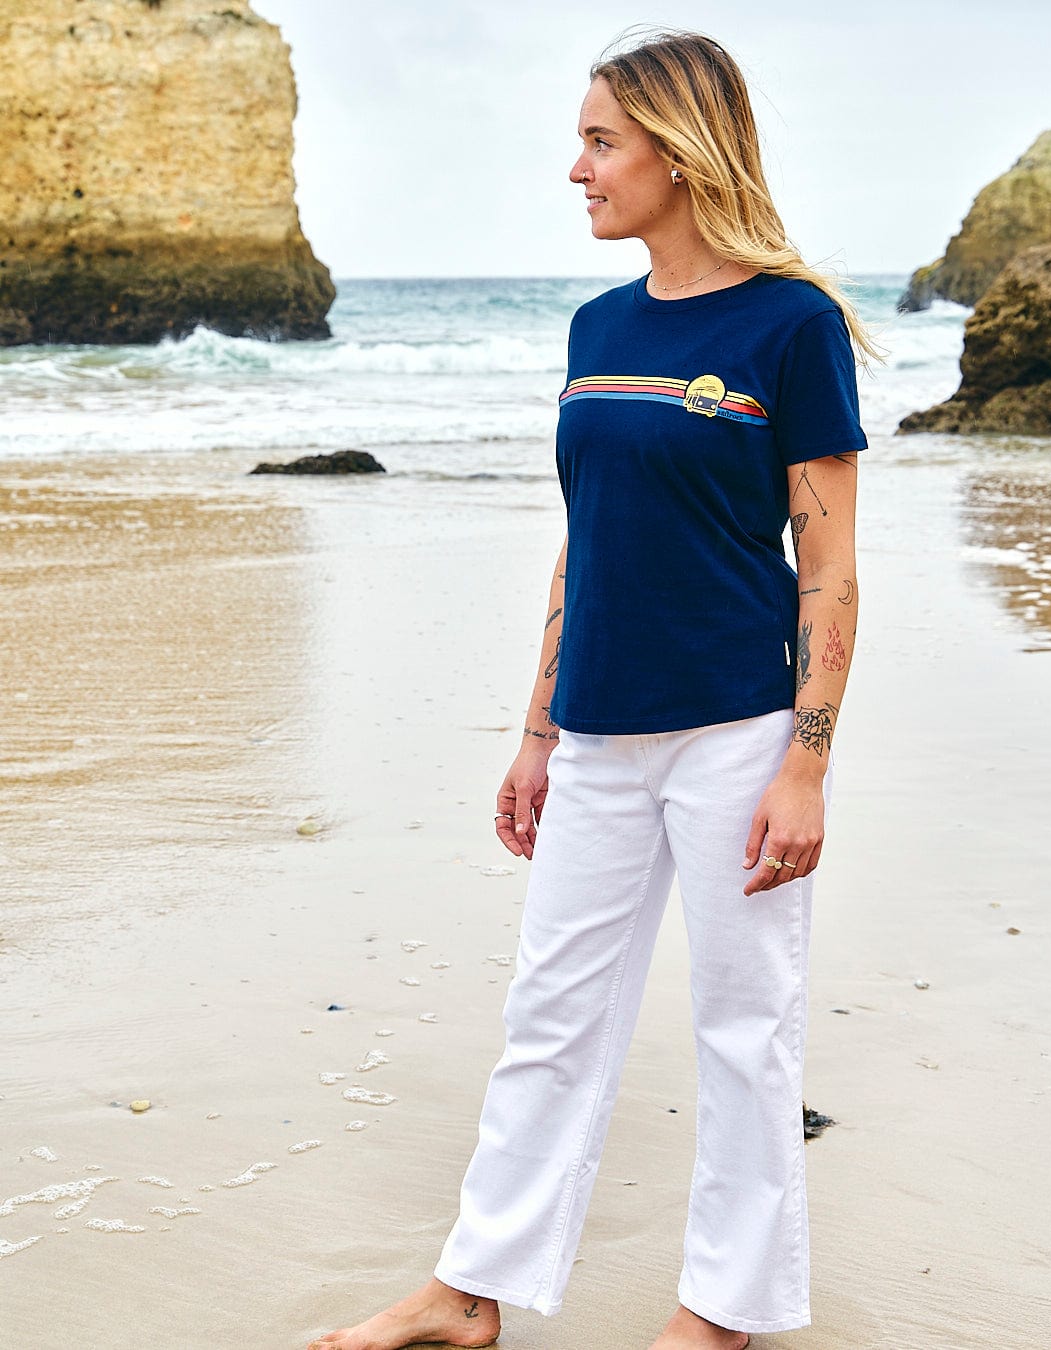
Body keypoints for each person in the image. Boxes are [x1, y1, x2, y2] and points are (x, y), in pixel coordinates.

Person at [309, 28, 877, 1350]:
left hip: (740, 726)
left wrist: (807, 762)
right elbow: (592, 526)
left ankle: (722, 1313)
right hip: (603, 729)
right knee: (549, 1015)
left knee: (746, 1027)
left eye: (602, 142)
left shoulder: (790, 327)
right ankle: (468, 1292)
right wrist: (536, 725)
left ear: (680, 155)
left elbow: (832, 568)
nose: (578, 169)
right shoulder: (598, 324)